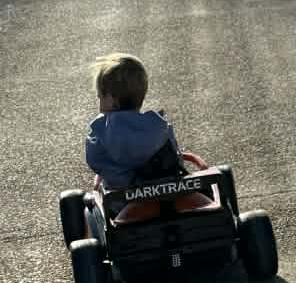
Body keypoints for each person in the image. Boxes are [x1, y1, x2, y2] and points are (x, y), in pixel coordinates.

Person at [84, 54, 206, 191]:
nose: (99, 102)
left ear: (111, 100)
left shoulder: (100, 130)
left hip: (121, 195)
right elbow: (175, 156)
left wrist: (114, 174)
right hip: (167, 189)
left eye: (100, 97)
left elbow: (94, 161)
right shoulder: (159, 124)